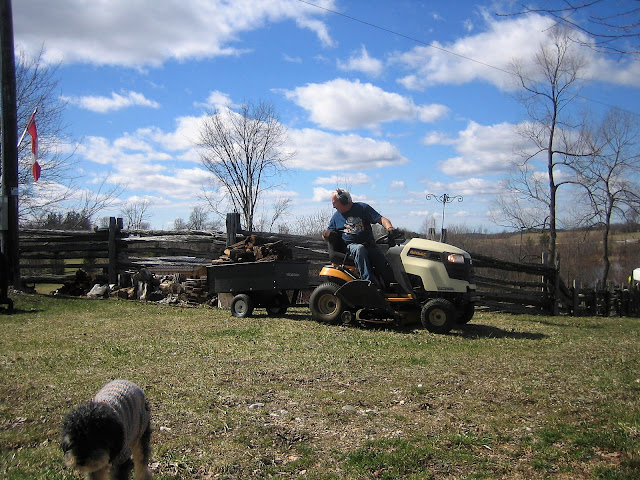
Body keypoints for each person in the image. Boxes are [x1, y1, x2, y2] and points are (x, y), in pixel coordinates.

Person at [323, 188, 395, 286]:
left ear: (344, 200)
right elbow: (327, 235)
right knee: (359, 249)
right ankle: (368, 284)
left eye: (334, 203)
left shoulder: (362, 208)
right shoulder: (336, 217)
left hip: (369, 245)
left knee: (384, 265)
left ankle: (392, 287)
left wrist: (390, 228)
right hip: (351, 247)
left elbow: (382, 219)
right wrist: (326, 235)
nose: (333, 206)